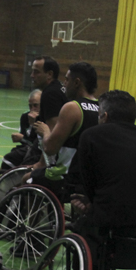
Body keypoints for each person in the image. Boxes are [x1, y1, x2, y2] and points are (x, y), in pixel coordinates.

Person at [70, 90, 136, 262]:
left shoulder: (92, 136)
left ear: (104, 116)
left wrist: (87, 203)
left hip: (118, 232)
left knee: (81, 228)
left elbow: (88, 184)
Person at [29, 62, 100, 193]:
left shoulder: (72, 108)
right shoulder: (101, 107)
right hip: (89, 178)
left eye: (67, 80)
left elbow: (50, 149)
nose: (64, 84)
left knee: (26, 180)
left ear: (77, 82)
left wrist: (45, 131)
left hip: (66, 176)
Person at [0, 89, 41, 176]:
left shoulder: (45, 119)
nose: (32, 109)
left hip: (37, 152)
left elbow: (39, 142)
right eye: (30, 106)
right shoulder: (25, 117)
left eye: (36, 105)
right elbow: (27, 139)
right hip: (26, 149)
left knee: (10, 158)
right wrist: (21, 138)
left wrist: (34, 124)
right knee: (8, 160)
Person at [30, 55, 66, 131]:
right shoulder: (60, 87)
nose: (32, 75)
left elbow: (53, 132)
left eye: (36, 72)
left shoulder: (50, 94)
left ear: (49, 74)